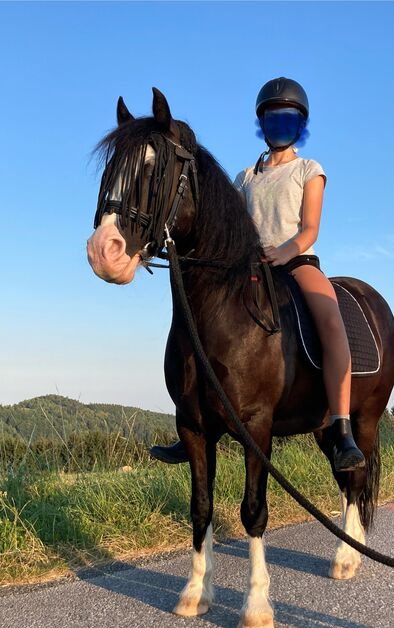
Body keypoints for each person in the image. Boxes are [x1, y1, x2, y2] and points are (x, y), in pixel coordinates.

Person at [151, 77, 365, 472]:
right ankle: (193, 428)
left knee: (331, 323)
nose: (279, 124)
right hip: (247, 267)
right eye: (272, 117)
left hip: (296, 262)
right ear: (261, 124)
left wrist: (282, 253)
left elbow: (310, 230)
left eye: (287, 118)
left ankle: (341, 426)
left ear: (299, 124)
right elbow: (225, 224)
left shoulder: (308, 170)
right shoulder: (245, 178)